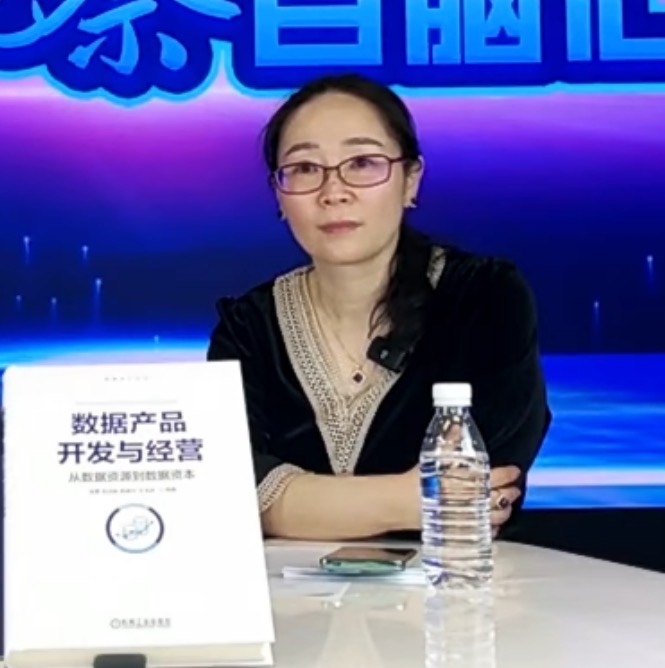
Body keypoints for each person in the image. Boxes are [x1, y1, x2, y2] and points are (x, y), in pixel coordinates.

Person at [207, 74, 551, 541]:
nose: (333, 192)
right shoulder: (249, 326)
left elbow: (484, 490)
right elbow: (226, 492)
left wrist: (290, 500)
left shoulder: (485, 296)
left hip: (455, 579)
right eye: (305, 168)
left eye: (363, 163)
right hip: (283, 587)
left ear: (411, 180)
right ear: (279, 196)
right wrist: (409, 499)